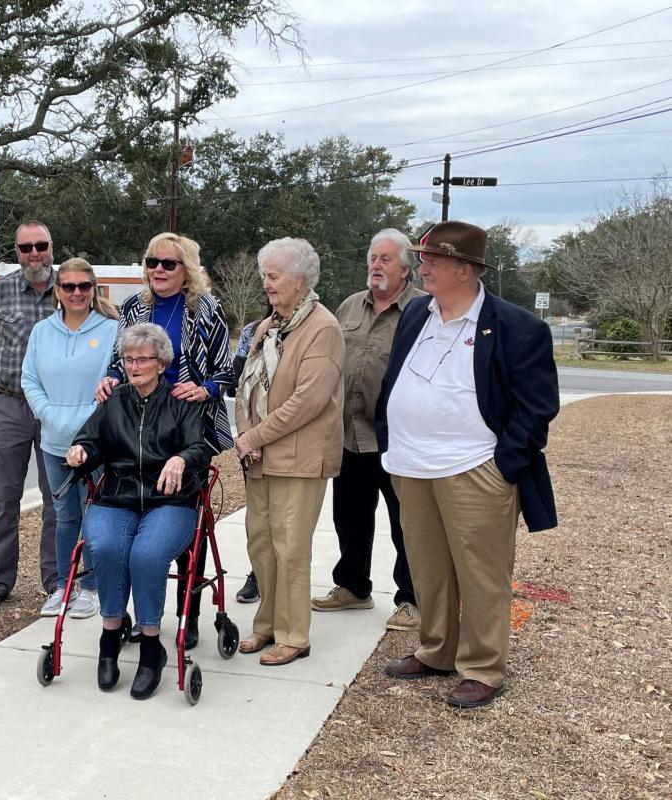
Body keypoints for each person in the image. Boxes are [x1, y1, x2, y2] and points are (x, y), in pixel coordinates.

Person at [376, 220, 559, 709]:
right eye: (422, 256)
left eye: (433, 259)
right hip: (411, 466)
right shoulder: (417, 313)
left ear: (464, 268)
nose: (423, 265)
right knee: (428, 568)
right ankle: (437, 650)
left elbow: (537, 407)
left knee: (482, 573)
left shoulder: (519, 327)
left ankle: (483, 667)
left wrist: (504, 464)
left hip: (474, 468)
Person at [95, 232, 233, 649]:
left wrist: (205, 388)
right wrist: (111, 378)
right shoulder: (135, 307)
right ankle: (129, 614)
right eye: (153, 261)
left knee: (182, 514)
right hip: (137, 421)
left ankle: (186, 615)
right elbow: (120, 360)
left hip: (186, 423)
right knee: (124, 517)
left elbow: (228, 368)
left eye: (169, 264)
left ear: (186, 269)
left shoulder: (206, 309)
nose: (159, 269)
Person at [68, 323, 210, 699]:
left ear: (161, 363)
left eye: (143, 359)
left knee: (147, 554)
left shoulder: (182, 401)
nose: (133, 366)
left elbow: (200, 447)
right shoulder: (114, 400)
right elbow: (90, 439)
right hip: (118, 495)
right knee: (107, 547)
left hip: (170, 500)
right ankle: (109, 638)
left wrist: (180, 458)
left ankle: (151, 647)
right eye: (128, 359)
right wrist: (80, 450)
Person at [235, 238, 345, 666]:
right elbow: (245, 387)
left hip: (299, 460)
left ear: (299, 281)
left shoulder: (323, 328)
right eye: (265, 275)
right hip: (260, 458)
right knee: (260, 544)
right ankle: (266, 625)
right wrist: (246, 435)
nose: (266, 283)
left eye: (274, 276)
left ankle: (294, 635)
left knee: (291, 548)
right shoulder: (269, 326)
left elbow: (308, 401)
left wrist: (254, 437)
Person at [311, 229, 427, 630]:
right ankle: (353, 587)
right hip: (348, 432)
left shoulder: (423, 310)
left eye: (385, 260)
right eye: (372, 259)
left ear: (406, 269)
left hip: (396, 438)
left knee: (405, 522)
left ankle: (412, 599)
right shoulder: (348, 307)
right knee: (349, 515)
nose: (375, 266)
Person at [0, 219, 58, 610]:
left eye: (41, 245)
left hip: (57, 411)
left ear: (52, 247)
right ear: (16, 252)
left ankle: (57, 580)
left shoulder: (72, 290)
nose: (34, 254)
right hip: (9, 406)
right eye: (25, 248)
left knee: (59, 498)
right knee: (3, 498)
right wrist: (2, 392)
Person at [21, 258, 118, 619]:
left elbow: (116, 380)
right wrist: (49, 414)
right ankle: (64, 586)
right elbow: (29, 379)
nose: (76, 293)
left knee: (94, 515)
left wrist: (87, 423)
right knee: (64, 516)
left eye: (84, 286)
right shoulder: (42, 331)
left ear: (94, 290)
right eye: (68, 287)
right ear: (57, 292)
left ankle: (90, 589)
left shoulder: (110, 330)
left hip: (95, 441)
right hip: (54, 441)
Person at [230, 304, 272, 605]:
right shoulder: (250, 332)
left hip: (290, 436)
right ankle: (258, 573)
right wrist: (246, 434)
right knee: (257, 514)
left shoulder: (313, 329)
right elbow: (238, 384)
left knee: (285, 517)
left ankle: (281, 579)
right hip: (253, 438)